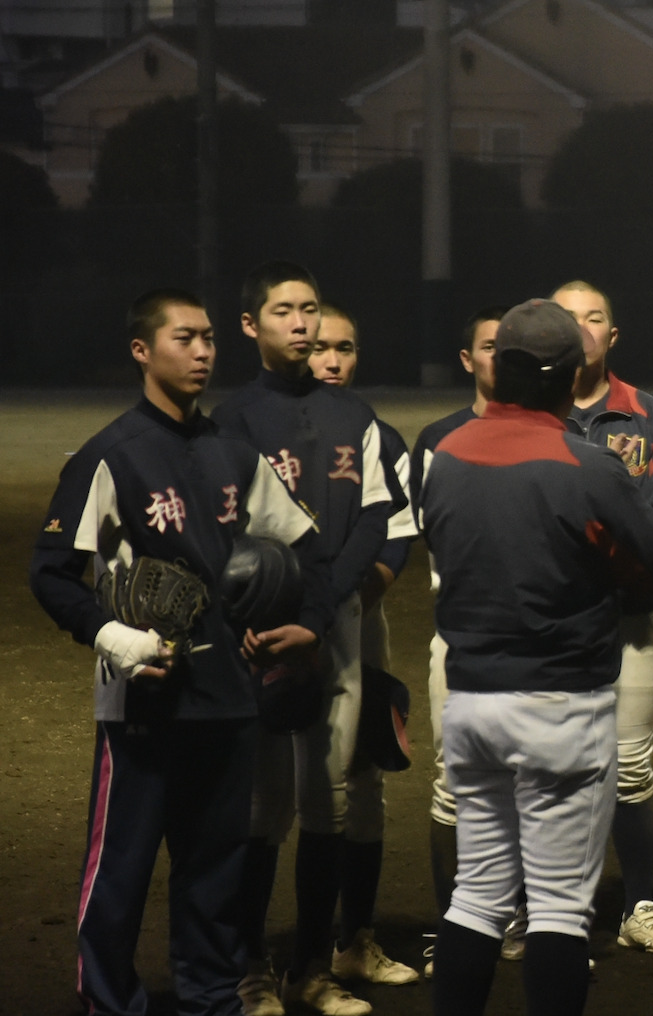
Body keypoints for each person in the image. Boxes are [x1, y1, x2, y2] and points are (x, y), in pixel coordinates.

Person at [29, 289, 321, 1016]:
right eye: (185, 338)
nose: (203, 352)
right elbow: (51, 571)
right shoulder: (112, 455)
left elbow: (302, 549)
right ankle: (109, 1002)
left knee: (214, 871)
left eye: (210, 338)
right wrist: (113, 636)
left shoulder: (233, 452)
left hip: (229, 697)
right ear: (142, 350)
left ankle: (211, 1000)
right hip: (143, 700)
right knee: (121, 871)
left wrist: (294, 616)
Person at [419, 299, 653, 1016]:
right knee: (562, 910)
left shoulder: (444, 456)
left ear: (495, 370)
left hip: (470, 699)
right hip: (561, 702)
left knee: (476, 895)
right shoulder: (584, 464)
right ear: (571, 380)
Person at [212, 261, 402, 1016]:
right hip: (261, 633)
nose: (301, 322)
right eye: (284, 310)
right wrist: (264, 620)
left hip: (335, 629)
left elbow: (374, 521)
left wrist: (320, 616)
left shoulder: (355, 416)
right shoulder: (231, 421)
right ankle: (250, 969)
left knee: (327, 803)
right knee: (263, 808)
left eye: (310, 309)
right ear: (251, 325)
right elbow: (227, 537)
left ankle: (311, 970)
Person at [550, 281, 653, 956]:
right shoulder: (530, 415)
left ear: (613, 335)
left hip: (628, 620)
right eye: (566, 319)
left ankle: (638, 904)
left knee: (630, 767)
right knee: (551, 764)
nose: (580, 330)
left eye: (594, 317)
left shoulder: (647, 415)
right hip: (550, 625)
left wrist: (590, 571)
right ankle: (556, 907)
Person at [307, 304, 423, 988]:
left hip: (356, 621)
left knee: (362, 776)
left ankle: (355, 938)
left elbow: (398, 534)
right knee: (271, 788)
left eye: (344, 347)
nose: (332, 359)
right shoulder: (260, 429)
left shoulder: (378, 435)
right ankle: (264, 954)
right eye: (320, 347)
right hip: (275, 629)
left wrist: (353, 600)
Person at [412, 305, 506, 973]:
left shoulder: (555, 432)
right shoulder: (438, 439)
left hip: (536, 638)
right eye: (488, 347)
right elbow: (432, 533)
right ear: (467, 358)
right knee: (455, 783)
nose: (499, 358)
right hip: (462, 632)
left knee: (532, 782)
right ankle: (456, 925)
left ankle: (531, 922)